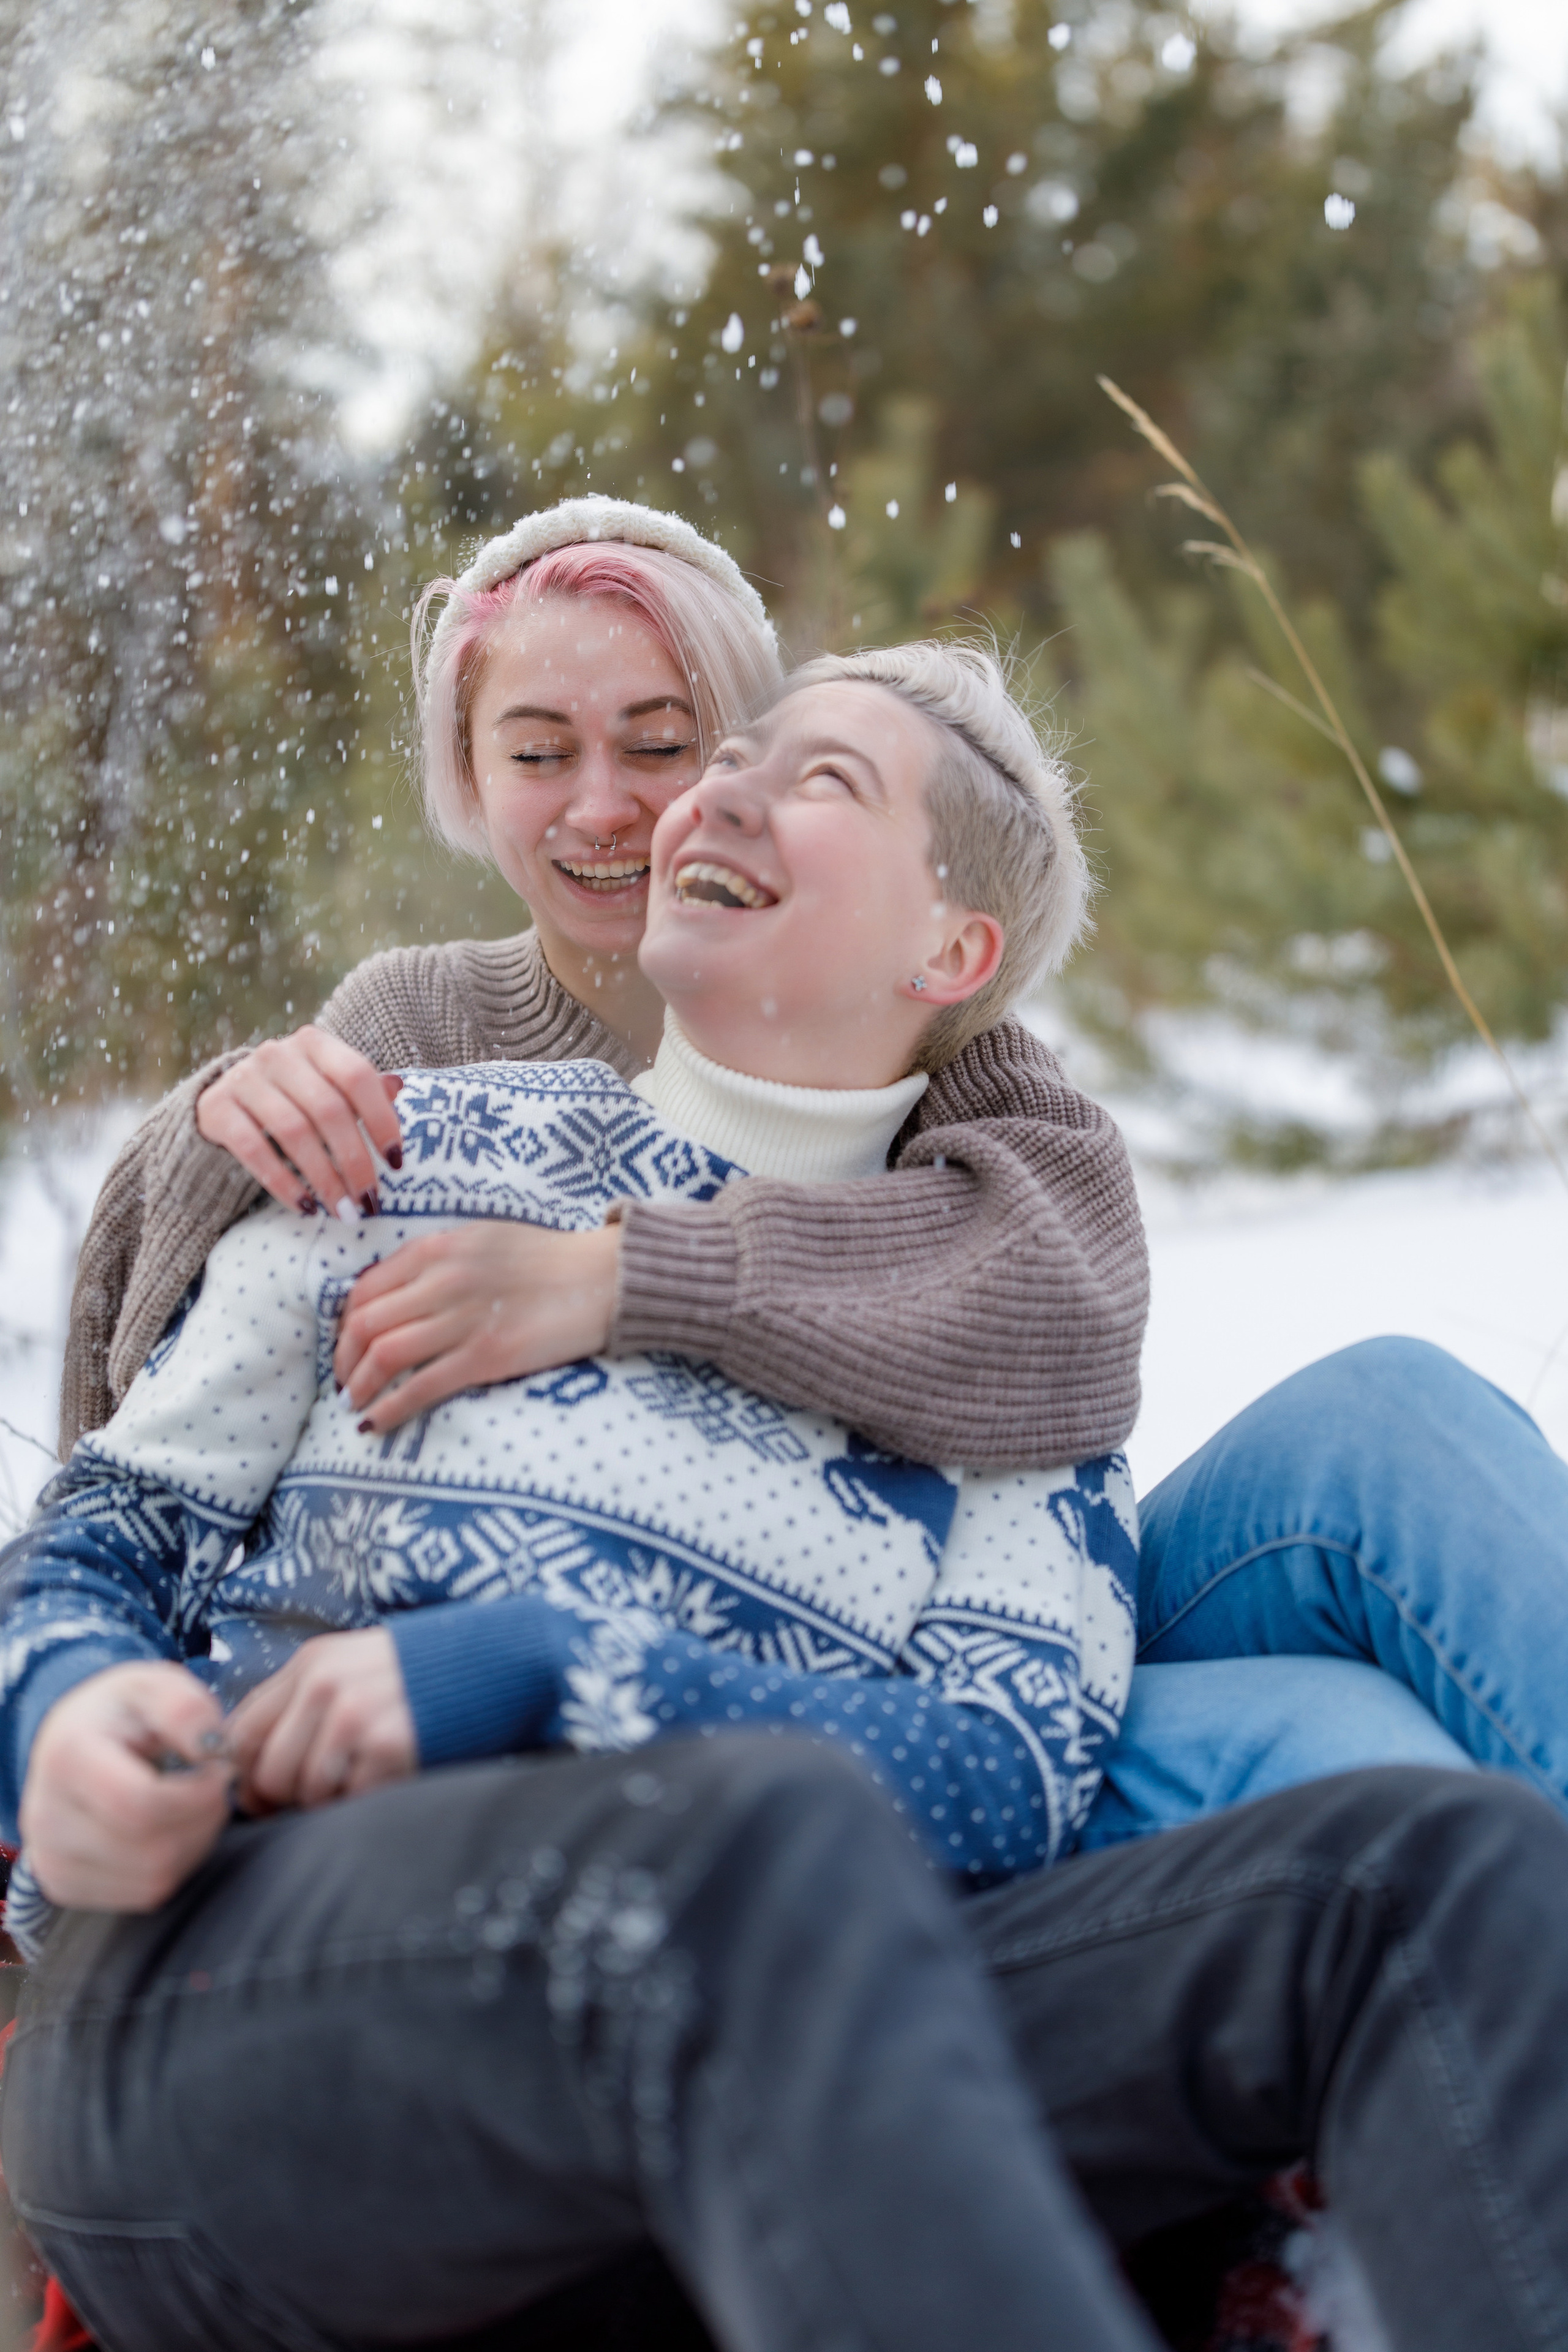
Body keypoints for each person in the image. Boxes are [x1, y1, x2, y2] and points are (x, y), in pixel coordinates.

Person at [9, 643, 1568, 2352]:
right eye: (734, 755)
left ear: (952, 950)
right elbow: (106, 1532)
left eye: (825, 779)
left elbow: (1018, 1770)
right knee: (747, 1839)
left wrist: (556, 1664)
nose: (720, 789)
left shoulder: (998, 1354)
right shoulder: (405, 1149)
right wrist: (66, 1719)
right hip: (274, 2004)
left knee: (1437, 1874)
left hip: (790, 2050)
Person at [59, 498, 1148, 1490]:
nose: (602, 808)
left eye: (664, 745)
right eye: (538, 755)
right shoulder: (417, 1028)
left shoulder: (922, 1041)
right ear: (472, 782)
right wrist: (218, 1132)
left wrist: (621, 1274)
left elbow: (1067, 1310)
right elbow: (161, 1410)